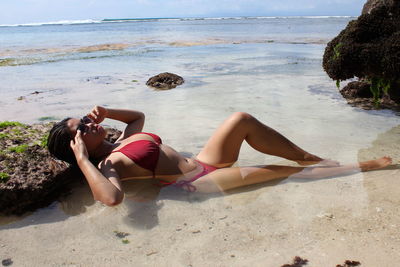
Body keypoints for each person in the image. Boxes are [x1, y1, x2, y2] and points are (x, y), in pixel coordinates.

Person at [47, 106, 392, 206]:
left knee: (239, 119)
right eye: (83, 128)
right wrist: (81, 160)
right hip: (199, 180)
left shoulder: (120, 138)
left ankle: (310, 157)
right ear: (79, 146)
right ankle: (359, 166)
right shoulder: (109, 164)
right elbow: (111, 199)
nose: (91, 124)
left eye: (86, 119)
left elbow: (138, 118)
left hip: (203, 159)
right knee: (278, 172)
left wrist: (108, 111)